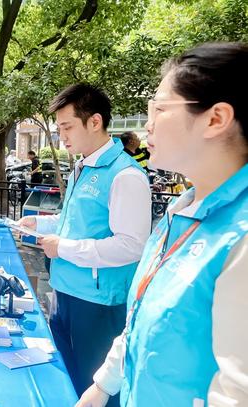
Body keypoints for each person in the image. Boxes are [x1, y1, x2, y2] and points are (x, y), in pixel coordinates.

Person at [76, 42, 248, 407]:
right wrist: (103, 386)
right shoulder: (180, 213)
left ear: (215, 119)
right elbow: (141, 316)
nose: (147, 122)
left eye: (159, 108)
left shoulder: (240, 238)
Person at [18, 84, 151, 405]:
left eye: (67, 127)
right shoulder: (84, 165)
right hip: (67, 293)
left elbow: (131, 246)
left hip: (97, 304)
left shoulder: (125, 176)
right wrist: (41, 224)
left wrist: (61, 248)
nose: (62, 135)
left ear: (94, 122)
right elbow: (73, 224)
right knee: (69, 384)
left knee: (96, 391)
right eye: (59, 127)